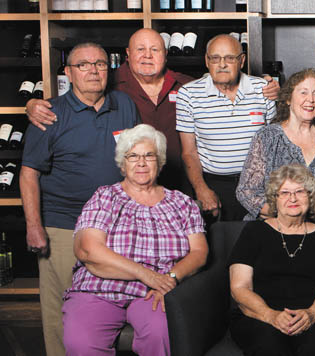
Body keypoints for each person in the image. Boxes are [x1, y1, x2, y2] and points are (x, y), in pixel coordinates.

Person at [23, 28, 280, 193]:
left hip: (183, 186)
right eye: (140, 50)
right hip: (134, 188)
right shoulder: (109, 85)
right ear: (127, 54)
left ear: (165, 54)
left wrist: (269, 87)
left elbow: (223, 85)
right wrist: (33, 105)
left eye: (154, 50)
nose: (148, 56)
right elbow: (77, 96)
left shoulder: (186, 86)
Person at [19, 42, 140, 356]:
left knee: (108, 305)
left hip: (117, 226)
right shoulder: (49, 113)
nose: (93, 71)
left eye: (100, 64)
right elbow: (29, 173)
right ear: (69, 73)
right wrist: (34, 226)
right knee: (61, 306)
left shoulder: (124, 104)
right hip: (64, 225)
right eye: (83, 65)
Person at [62, 124, 208, 356]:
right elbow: (88, 250)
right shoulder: (105, 197)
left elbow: (199, 252)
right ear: (123, 163)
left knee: (162, 334)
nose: (141, 163)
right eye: (133, 156)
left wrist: (170, 279)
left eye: (149, 156)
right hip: (100, 288)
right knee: (81, 342)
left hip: (156, 291)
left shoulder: (182, 203)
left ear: (160, 162)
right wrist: (145, 274)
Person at [229, 164, 315, 356]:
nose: (292, 198)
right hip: (260, 316)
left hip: (314, 316)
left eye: (300, 192)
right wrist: (270, 315)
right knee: (269, 345)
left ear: (310, 197)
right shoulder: (254, 231)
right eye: (284, 193)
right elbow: (239, 287)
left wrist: (313, 313)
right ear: (274, 198)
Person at [177, 34, 276, 221]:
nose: (222, 64)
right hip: (214, 185)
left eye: (230, 58)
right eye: (215, 58)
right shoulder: (188, 94)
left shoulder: (263, 89)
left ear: (242, 61)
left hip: (258, 184)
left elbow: (275, 146)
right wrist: (201, 189)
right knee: (219, 238)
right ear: (207, 61)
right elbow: (189, 152)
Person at [236, 69, 315, 220]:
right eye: (303, 92)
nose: (310, 99)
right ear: (288, 99)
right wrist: (288, 217)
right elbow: (246, 191)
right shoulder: (267, 137)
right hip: (272, 225)